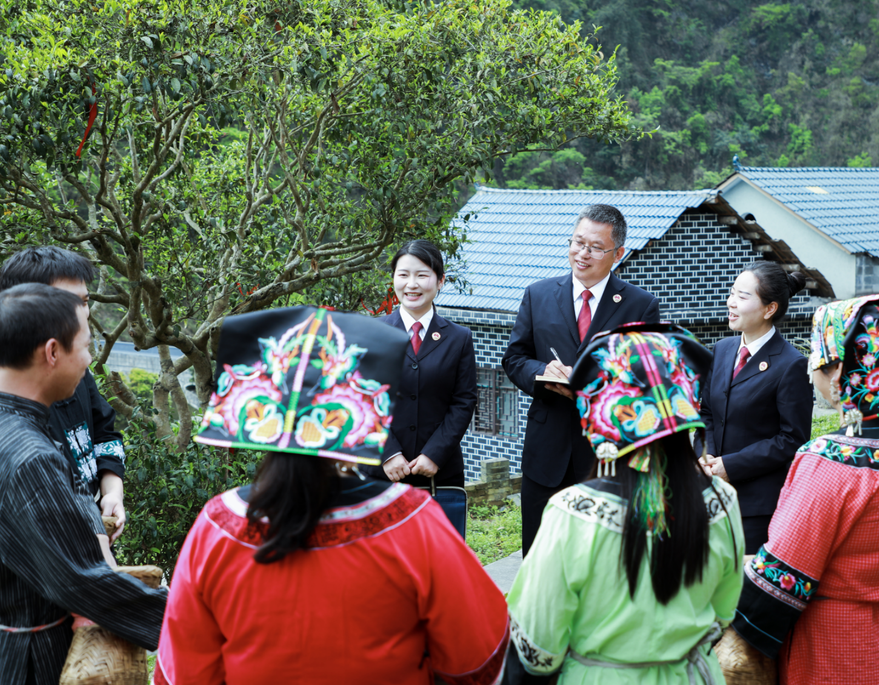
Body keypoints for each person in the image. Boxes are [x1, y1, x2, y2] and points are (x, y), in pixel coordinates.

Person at [155, 305, 508, 685]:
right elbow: (478, 658)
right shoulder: (413, 520)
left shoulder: (217, 526)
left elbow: (183, 673)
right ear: (359, 414)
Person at [505, 324, 744, 684]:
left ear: (600, 417)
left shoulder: (573, 513)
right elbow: (724, 612)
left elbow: (538, 648)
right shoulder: (721, 500)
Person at [730, 294, 879, 684]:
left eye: (816, 359)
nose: (810, 371)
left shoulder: (830, 461)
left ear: (838, 372)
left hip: (836, 647)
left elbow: (784, 574)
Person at [0, 283, 166, 685]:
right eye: (87, 346)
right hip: (32, 660)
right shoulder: (31, 457)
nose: (90, 359)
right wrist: (190, 614)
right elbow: (79, 579)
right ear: (52, 352)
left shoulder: (16, 426)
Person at [503, 204, 660, 555]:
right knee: (541, 557)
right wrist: (541, 372)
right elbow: (514, 358)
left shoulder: (640, 305)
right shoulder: (538, 294)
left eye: (595, 247)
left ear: (618, 253)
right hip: (547, 451)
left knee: (601, 560)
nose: (583, 253)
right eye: (578, 243)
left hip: (607, 456)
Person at [0, 246, 128, 542]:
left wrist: (112, 492)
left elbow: (105, 433)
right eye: (69, 304)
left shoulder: (77, 372)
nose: (82, 314)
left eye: (84, 302)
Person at [699, 261, 814, 554]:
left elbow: (792, 439)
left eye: (742, 296)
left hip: (756, 505)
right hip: (711, 493)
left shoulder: (791, 364)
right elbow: (707, 412)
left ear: (769, 309)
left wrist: (731, 465)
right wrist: (706, 453)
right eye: (732, 293)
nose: (731, 302)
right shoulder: (722, 349)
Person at [375, 240, 476, 537]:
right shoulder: (373, 333)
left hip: (438, 474)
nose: (412, 284)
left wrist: (435, 453)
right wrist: (387, 452)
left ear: (440, 280)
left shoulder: (459, 338)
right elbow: (361, 398)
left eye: (422, 275)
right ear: (393, 279)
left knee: (438, 558)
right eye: (403, 275)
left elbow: (464, 401)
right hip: (381, 473)